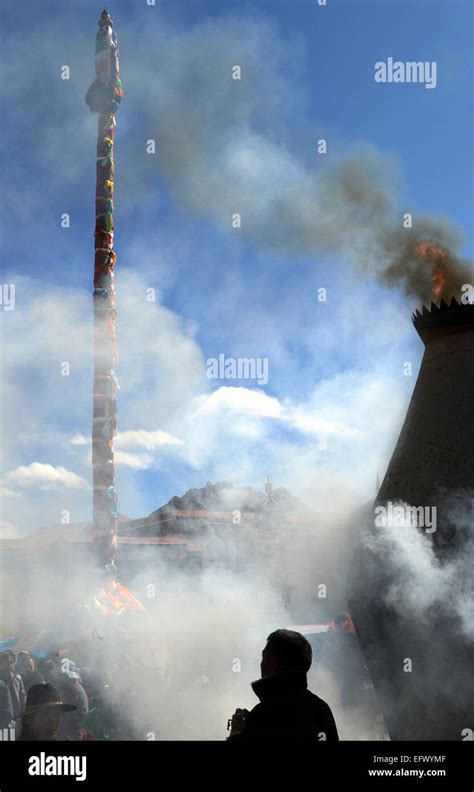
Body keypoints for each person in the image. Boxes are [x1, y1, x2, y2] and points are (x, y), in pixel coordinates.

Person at [228, 629, 339, 741]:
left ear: (273, 663)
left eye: (263, 656)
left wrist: (237, 734)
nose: (261, 664)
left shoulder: (263, 715)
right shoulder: (321, 709)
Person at [0, 651, 26, 721]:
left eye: (12, 662)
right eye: (8, 662)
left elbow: (22, 699)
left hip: (15, 720)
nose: (10, 665)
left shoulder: (17, 679)